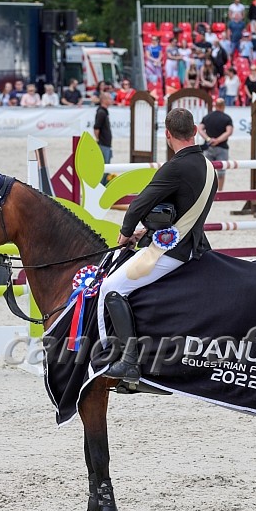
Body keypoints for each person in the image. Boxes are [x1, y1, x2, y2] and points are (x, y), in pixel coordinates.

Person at [98, 108, 217, 383]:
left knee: (110, 287)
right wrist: (147, 231)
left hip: (173, 252)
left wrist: (127, 232)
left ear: (167, 135)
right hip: (195, 245)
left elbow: (138, 204)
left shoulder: (176, 166)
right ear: (195, 130)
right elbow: (182, 211)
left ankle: (129, 361)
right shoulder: (208, 166)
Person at [197, 97, 234, 190]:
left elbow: (200, 129)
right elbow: (229, 132)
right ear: (223, 106)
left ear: (215, 106)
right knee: (221, 171)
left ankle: (208, 191)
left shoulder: (207, 117)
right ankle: (220, 191)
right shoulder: (227, 118)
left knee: (208, 171)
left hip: (208, 147)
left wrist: (208, 139)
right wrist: (218, 140)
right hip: (222, 147)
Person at [94, 90, 113, 184]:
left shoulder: (104, 111)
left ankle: (103, 185)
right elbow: (96, 127)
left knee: (107, 167)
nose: (111, 100)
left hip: (106, 143)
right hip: (103, 143)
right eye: (109, 98)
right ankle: (100, 186)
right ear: (104, 100)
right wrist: (98, 140)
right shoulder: (101, 112)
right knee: (104, 167)